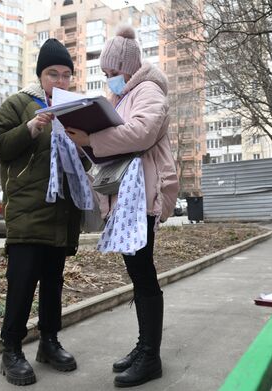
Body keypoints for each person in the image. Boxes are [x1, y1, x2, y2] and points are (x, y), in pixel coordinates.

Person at [66, 25, 179, 388]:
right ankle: (144, 346)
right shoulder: (123, 96)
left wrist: (92, 137)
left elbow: (141, 133)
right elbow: (116, 142)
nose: (109, 80)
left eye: (113, 73)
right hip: (127, 198)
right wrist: (84, 141)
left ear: (128, 67)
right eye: (105, 74)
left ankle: (151, 357)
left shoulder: (148, 91)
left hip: (143, 197)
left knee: (143, 273)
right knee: (137, 272)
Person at [0, 38, 91, 386]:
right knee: (21, 282)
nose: (60, 82)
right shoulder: (19, 104)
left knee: (53, 282)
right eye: (53, 74)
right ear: (40, 75)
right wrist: (31, 127)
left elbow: (86, 157)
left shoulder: (75, 108)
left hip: (62, 212)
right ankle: (11, 349)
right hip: (28, 211)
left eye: (66, 75)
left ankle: (49, 342)